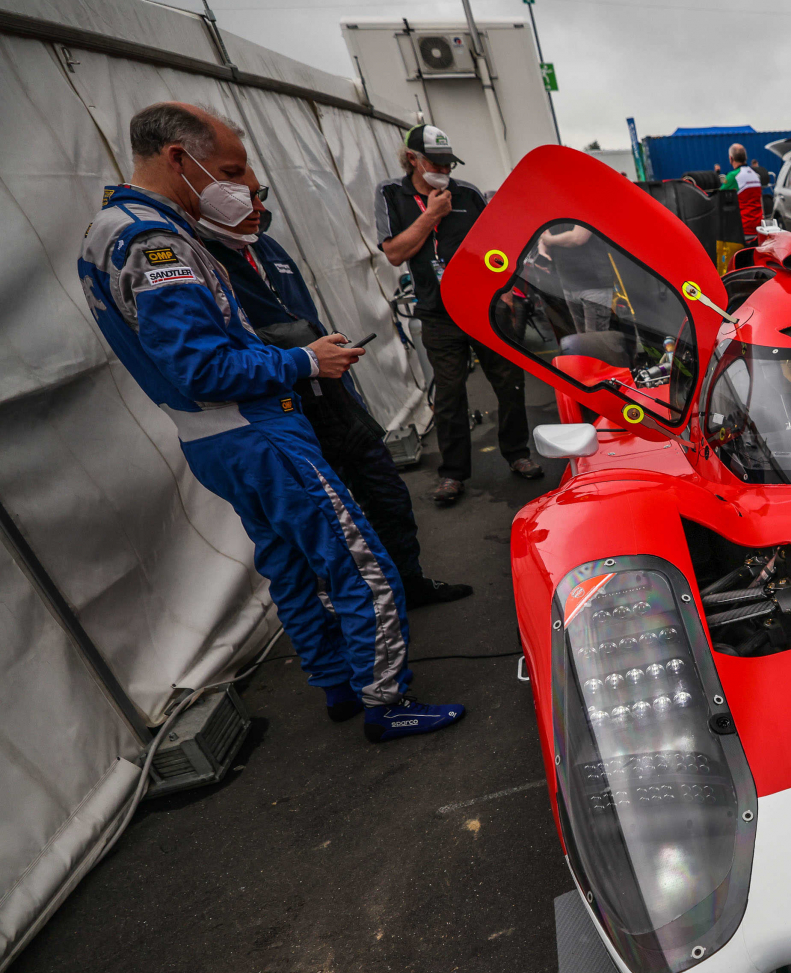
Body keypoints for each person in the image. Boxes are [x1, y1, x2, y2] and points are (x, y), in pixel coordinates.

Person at [78, 102, 465, 742]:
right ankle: (386, 700)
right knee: (360, 564)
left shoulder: (113, 229)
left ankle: (340, 685)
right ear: (179, 158)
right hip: (255, 431)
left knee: (287, 565)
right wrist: (302, 360)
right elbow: (204, 367)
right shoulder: (154, 240)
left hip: (216, 439)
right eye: (229, 170)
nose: (240, 186)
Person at [198, 173, 474, 608]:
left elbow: (305, 318)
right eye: (245, 194)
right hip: (285, 410)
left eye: (260, 195)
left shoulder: (267, 247)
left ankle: (409, 582)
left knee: (386, 491)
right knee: (335, 519)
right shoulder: (204, 260)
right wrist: (299, 355)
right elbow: (221, 354)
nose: (257, 205)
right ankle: (368, 605)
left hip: (333, 396)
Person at [377, 124, 542, 506]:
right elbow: (394, 253)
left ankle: (517, 452)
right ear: (413, 160)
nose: (444, 170)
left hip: (483, 307)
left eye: (449, 163)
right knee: (450, 394)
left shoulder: (467, 194)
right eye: (436, 163)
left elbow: (495, 247)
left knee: (509, 381)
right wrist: (432, 215)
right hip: (437, 313)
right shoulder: (391, 194)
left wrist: (506, 293)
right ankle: (453, 474)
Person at [720, 142, 766, 245]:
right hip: (758, 227)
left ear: (731, 159)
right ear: (745, 158)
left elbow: (719, 197)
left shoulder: (733, 176)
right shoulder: (755, 175)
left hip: (743, 229)